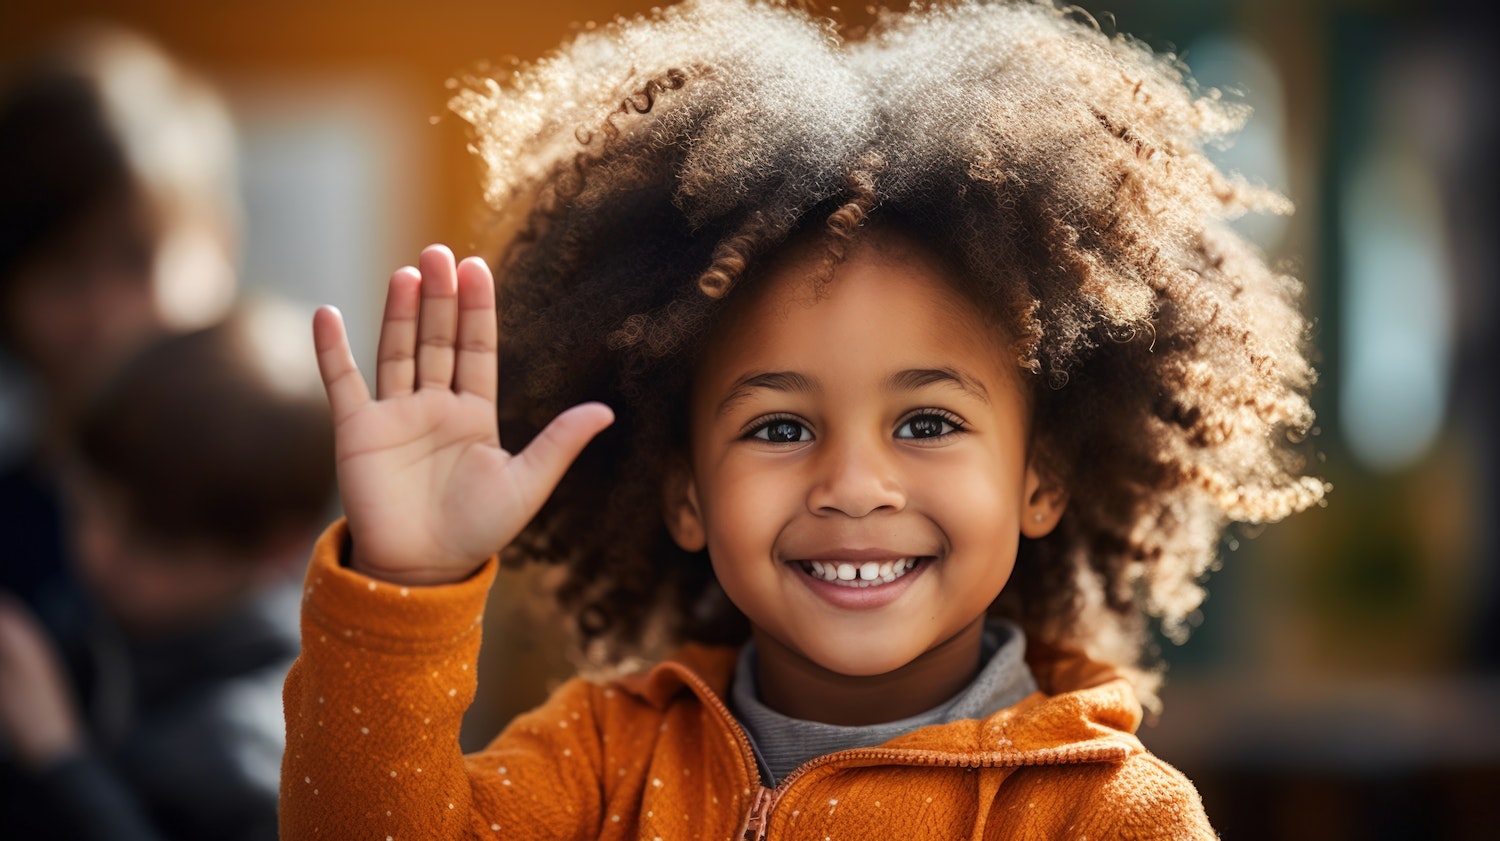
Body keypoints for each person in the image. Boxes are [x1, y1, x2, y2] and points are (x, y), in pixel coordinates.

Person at [281, 1, 1327, 837]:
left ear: (1040, 476)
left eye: (926, 422)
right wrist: (404, 588)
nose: (855, 484)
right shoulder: (599, 763)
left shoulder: (1108, 818)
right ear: (685, 492)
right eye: (779, 428)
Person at [0, 301, 334, 841]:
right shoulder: (100, 614)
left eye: (146, 544)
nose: (98, 550)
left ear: (277, 549)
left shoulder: (262, 741)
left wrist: (57, 757)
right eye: (89, 505)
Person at [0, 21, 240, 643]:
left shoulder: (290, 506)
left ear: (221, 245)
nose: (104, 314)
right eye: (63, 268)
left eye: (136, 259)